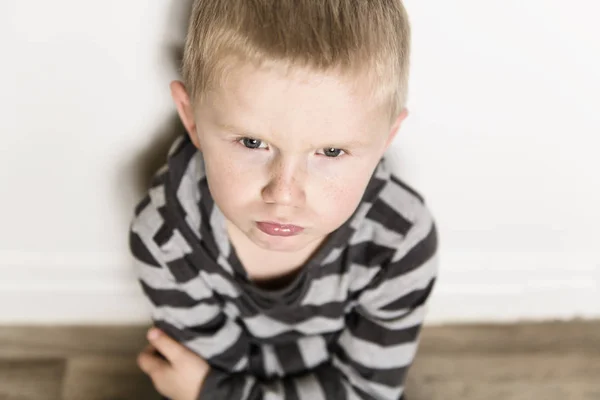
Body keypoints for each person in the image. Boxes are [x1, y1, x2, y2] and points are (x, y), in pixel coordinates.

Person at [129, 0, 439, 399]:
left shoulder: (398, 240)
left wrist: (211, 392)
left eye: (330, 152)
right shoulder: (166, 233)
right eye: (252, 142)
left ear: (385, 139)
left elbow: (367, 392)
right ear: (191, 118)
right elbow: (213, 366)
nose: (284, 195)